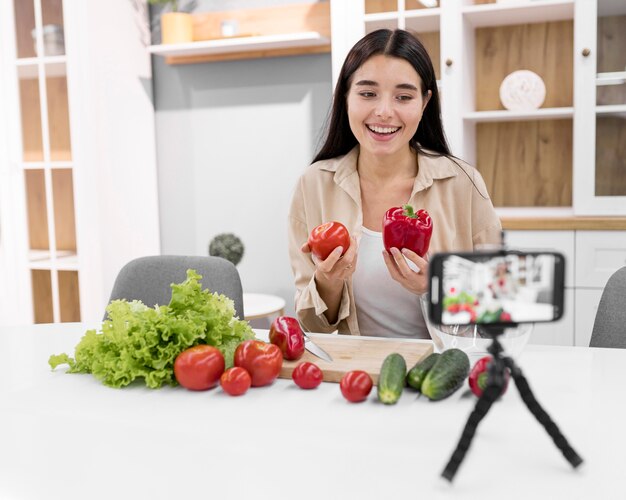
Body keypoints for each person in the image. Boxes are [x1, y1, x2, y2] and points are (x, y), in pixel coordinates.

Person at [288, 29, 502, 338]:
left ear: (425, 102)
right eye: (367, 93)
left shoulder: (462, 183)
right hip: (359, 375)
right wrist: (328, 283)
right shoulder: (314, 185)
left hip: (443, 370)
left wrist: (435, 289)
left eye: (403, 96)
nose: (385, 112)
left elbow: (497, 311)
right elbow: (313, 325)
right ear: (345, 96)